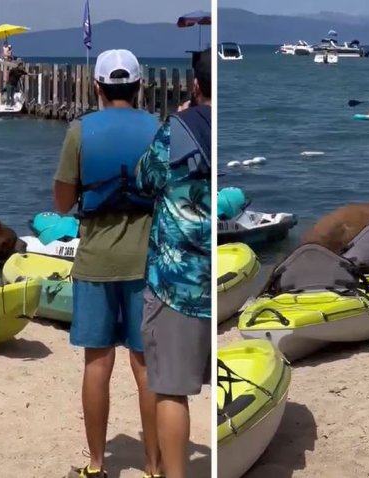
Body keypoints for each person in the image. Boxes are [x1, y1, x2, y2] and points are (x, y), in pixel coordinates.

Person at [53, 49, 162, 478]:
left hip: (96, 261)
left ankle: (97, 465)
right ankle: (154, 466)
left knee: (97, 364)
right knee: (146, 366)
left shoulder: (80, 132)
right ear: (139, 87)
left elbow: (62, 204)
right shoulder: (158, 129)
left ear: (96, 87)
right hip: (146, 262)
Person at [135, 48, 212, 478]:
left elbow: (146, 177)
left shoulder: (177, 131)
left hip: (175, 282)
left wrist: (177, 120)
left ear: (194, 86)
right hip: (214, 277)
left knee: (170, 392)